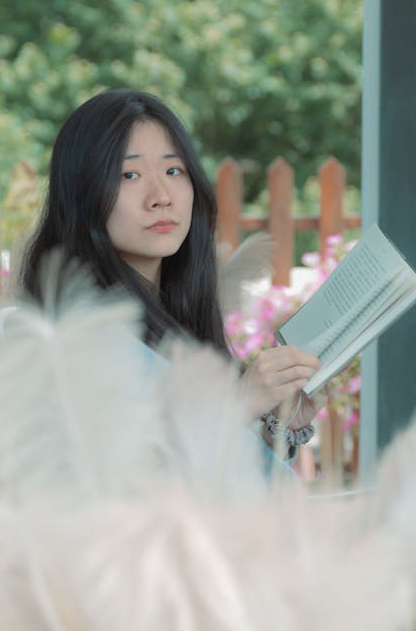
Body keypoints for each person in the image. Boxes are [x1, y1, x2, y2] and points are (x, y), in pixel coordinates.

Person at [20, 88, 325, 456]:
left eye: (173, 170)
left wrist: (278, 423)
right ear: (82, 194)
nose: (161, 196)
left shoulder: (180, 315)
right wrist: (239, 403)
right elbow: (118, 490)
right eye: (129, 175)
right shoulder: (74, 337)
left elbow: (225, 487)